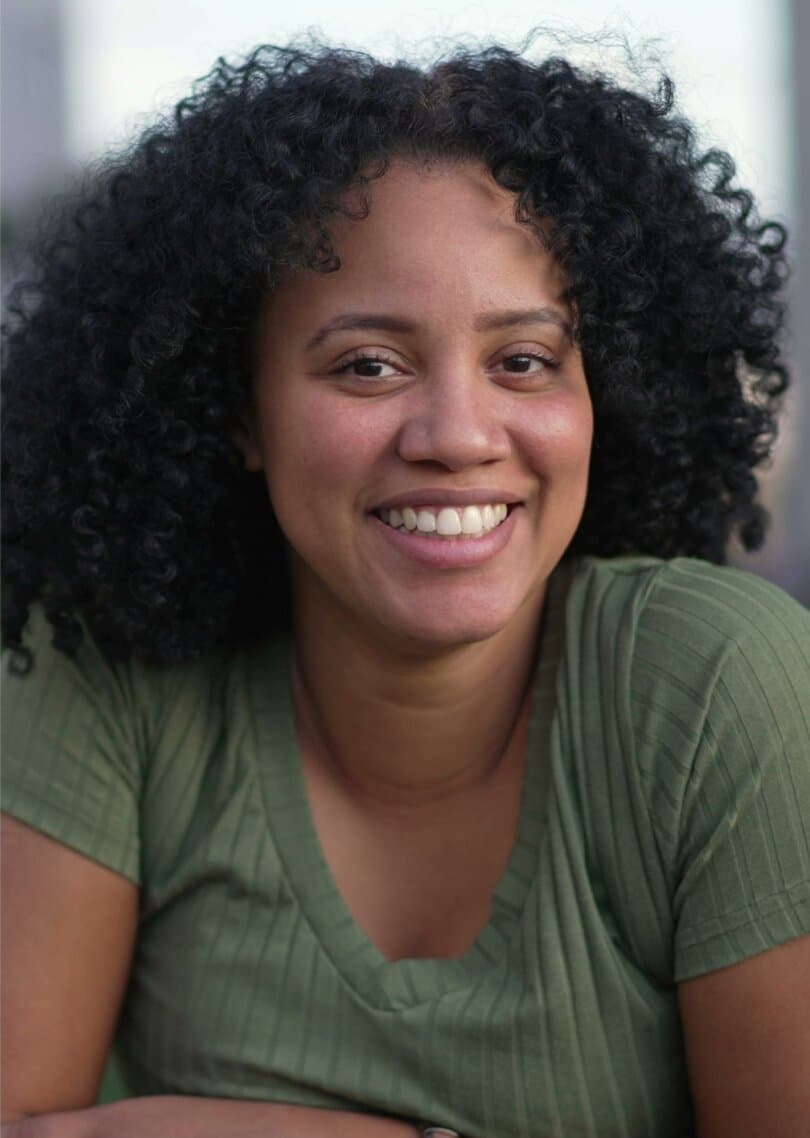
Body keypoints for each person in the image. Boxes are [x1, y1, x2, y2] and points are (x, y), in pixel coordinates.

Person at [2, 35, 809, 1138]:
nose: (458, 437)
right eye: (367, 365)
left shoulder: (721, 690)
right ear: (235, 409)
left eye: (523, 359)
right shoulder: (103, 668)